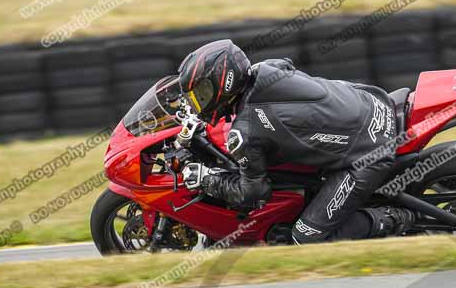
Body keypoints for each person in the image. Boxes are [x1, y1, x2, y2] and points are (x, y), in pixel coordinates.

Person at [177, 39, 415, 244]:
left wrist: (207, 180)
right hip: (374, 101)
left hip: (368, 153)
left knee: (306, 237)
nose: (200, 104)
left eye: (202, 95)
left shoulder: (246, 132)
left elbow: (253, 193)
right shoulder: (268, 68)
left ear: (224, 82)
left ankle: (398, 218)